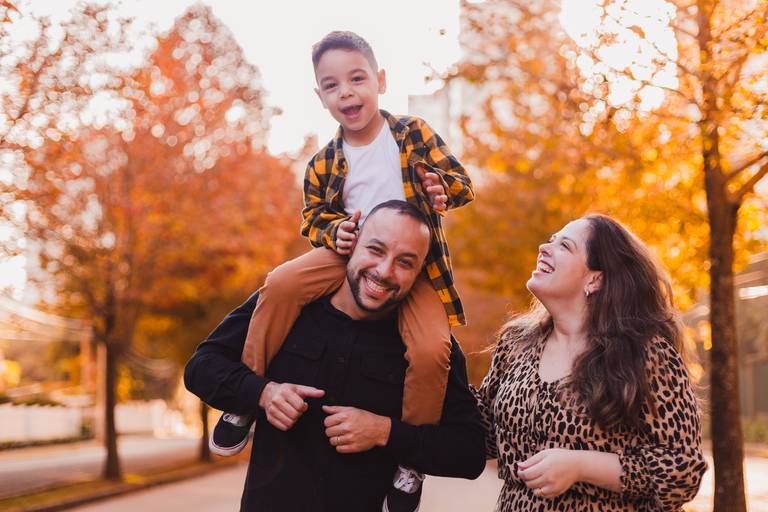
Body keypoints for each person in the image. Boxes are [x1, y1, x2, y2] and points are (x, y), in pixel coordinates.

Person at [209, 30, 474, 512]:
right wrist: (337, 232)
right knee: (280, 283)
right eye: (332, 85)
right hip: (346, 256)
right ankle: (247, 398)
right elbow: (311, 219)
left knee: (432, 349)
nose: (346, 92)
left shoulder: (412, 134)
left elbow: (459, 182)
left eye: (357, 79)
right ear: (320, 96)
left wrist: (441, 190)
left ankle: (409, 463)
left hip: (408, 266)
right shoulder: (323, 162)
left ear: (380, 81)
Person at [185, 201, 485, 512]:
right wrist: (263, 393)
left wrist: (385, 432)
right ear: (351, 245)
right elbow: (201, 368)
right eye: (375, 250)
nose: (384, 271)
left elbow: (469, 453)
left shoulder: (432, 350)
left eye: (405, 263)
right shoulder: (283, 305)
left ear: (420, 271)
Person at [474, 214, 707, 511]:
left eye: (564, 246)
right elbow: (484, 436)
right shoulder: (516, 344)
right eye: (551, 240)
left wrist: (580, 466)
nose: (544, 248)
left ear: (595, 279)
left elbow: (682, 470)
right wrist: (438, 357)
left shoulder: (645, 354)